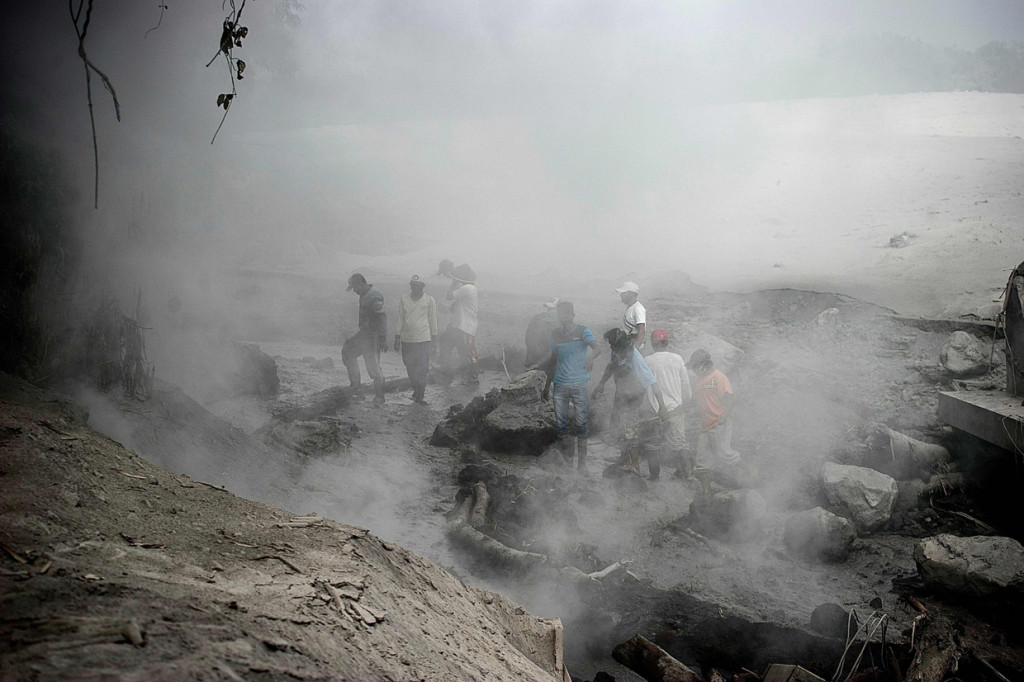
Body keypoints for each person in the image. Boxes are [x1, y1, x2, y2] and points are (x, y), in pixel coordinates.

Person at [528, 301, 601, 471]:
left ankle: (581, 468)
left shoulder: (583, 331)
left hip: (579, 384)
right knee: (562, 427)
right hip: (560, 385)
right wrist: (541, 372)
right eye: (560, 314)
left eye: (566, 314)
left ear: (572, 315)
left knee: (582, 425)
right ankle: (568, 466)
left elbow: (597, 348)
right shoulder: (555, 334)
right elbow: (552, 358)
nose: (563, 317)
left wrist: (591, 357)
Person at [592, 328, 667, 478]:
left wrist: (662, 407)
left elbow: (653, 383)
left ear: (623, 346)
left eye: (613, 346)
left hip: (635, 396)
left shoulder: (637, 360)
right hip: (621, 394)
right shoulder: (617, 351)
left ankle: (635, 466)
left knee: (629, 429)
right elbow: (611, 366)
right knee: (618, 426)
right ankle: (624, 458)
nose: (611, 348)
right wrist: (601, 384)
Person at [689, 348, 741, 494]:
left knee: (725, 454)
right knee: (702, 462)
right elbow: (697, 400)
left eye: (694, 367)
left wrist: (725, 415)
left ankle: (750, 471)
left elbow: (729, 397)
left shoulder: (719, 377)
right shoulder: (699, 381)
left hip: (720, 423)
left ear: (703, 365)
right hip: (706, 425)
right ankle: (706, 493)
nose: (694, 371)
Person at [645, 329, 693, 480]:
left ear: (653, 344)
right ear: (666, 342)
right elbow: (686, 384)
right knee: (680, 442)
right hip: (676, 408)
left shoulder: (648, 361)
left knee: (652, 442)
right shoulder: (678, 359)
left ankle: (654, 476)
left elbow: (646, 385)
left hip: (655, 409)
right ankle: (686, 474)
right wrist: (685, 403)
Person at [342, 273, 388, 404]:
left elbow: (382, 318)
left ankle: (380, 396)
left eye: (355, 288)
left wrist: (383, 339)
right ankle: (356, 389)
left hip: (373, 335)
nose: (354, 291)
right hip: (364, 333)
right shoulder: (363, 293)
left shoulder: (374, 296)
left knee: (373, 366)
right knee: (347, 351)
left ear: (361, 284)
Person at [394, 274, 437, 404]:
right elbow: (401, 318)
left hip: (424, 340)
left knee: (422, 369)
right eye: (412, 285)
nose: (414, 288)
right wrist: (397, 336)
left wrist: (434, 340)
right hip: (407, 340)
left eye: (417, 286)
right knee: (410, 368)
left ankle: (420, 396)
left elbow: (432, 320)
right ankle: (416, 390)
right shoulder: (404, 299)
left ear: (422, 287)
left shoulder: (429, 300)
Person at [438, 263, 479, 382]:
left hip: (465, 326)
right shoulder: (467, 289)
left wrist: (454, 282)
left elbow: (449, 296)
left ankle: (472, 375)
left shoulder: (468, 288)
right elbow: (456, 305)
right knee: (445, 342)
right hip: (458, 325)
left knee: (468, 351)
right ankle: (447, 368)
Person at [524, 297, 560, 378]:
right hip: (544, 363)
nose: (550, 311)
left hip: (534, 362)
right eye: (550, 309)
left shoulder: (537, 318)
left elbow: (527, 340)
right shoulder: (558, 324)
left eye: (552, 308)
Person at [615, 281, 647, 350]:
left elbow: (641, 331)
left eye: (623, 293)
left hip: (634, 346)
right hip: (629, 344)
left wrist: (635, 350)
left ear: (631, 294)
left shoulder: (638, 309)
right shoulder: (630, 308)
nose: (621, 295)